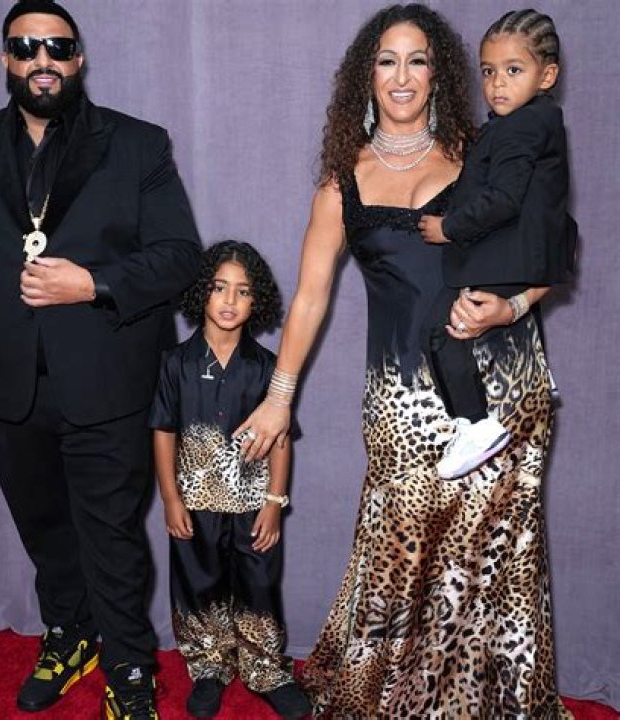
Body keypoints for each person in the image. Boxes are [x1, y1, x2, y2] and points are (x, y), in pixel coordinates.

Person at [236, 4, 570, 717]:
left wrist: (511, 307)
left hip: (502, 388)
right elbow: (309, 298)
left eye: (418, 60)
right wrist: (278, 397)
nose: (402, 76)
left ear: (438, 74)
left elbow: (555, 239)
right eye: (387, 60)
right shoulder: (341, 182)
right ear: (367, 74)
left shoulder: (484, 149)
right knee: (403, 558)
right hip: (401, 402)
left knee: (490, 565)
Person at [0, 1, 200, 718]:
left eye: (58, 47)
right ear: (6, 59)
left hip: (109, 380)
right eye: (26, 46)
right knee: (45, 528)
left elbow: (179, 258)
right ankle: (70, 633)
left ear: (79, 58)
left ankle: (129, 671)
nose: (43, 60)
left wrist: (92, 283)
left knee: (111, 536)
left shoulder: (137, 144)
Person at [149, 241, 311, 720]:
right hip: (194, 504)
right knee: (198, 585)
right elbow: (163, 431)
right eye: (220, 287)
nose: (229, 300)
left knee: (259, 585)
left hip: (252, 505)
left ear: (256, 301)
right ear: (202, 291)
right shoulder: (175, 364)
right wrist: (170, 498)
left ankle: (266, 670)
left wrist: (274, 503)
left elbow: (279, 439)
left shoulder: (267, 368)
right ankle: (208, 668)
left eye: (242, 291)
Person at [418, 9, 577, 480]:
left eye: (513, 70)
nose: (497, 84)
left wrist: (449, 228)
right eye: (488, 72)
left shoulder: (523, 126)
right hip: (515, 257)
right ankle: (492, 408)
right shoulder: (531, 123)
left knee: (441, 330)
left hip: (501, 258)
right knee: (444, 329)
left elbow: (504, 199)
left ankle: (476, 425)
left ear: (547, 76)